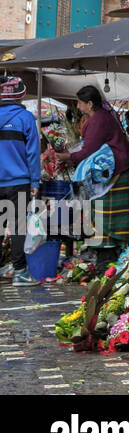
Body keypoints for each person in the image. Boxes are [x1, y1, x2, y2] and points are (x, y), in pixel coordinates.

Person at [58, 85, 129, 263]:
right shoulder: (98, 118)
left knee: (105, 214)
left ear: (90, 103)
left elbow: (88, 151)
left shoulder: (99, 120)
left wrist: (65, 156)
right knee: (102, 213)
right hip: (113, 171)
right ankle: (108, 252)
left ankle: (108, 255)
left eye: (79, 103)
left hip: (117, 173)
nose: (77, 107)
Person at [0, 76, 40, 285]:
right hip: (19, 181)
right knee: (17, 227)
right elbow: (33, 152)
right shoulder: (25, 117)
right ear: (20, 95)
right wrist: (35, 182)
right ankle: (19, 273)